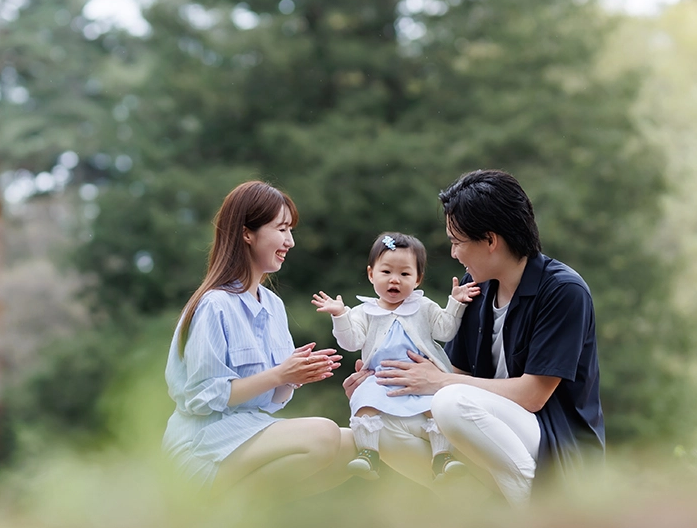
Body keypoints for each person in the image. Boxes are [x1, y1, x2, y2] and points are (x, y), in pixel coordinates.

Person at [344, 170, 605, 506]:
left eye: (456, 242)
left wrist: (440, 382)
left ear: (490, 240)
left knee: (450, 402)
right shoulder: (476, 287)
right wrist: (377, 387)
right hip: (489, 431)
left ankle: (538, 513)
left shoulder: (562, 291)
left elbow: (532, 396)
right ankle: (478, 512)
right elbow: (461, 374)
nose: (454, 254)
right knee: (383, 425)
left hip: (553, 440)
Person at [163, 181, 355, 500]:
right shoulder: (214, 305)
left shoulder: (273, 305)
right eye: (281, 229)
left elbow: (269, 397)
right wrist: (280, 374)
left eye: (290, 230)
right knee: (324, 434)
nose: (290, 241)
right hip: (204, 446)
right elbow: (200, 398)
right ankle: (215, 512)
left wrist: (295, 377)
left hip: (248, 431)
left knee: (354, 444)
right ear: (247, 233)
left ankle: (257, 520)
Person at [312, 232, 480, 482]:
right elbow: (351, 342)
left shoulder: (423, 307)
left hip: (422, 375)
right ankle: (369, 453)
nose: (395, 280)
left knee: (436, 409)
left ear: (418, 279)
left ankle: (443, 457)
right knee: (364, 402)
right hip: (380, 376)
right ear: (371, 274)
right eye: (386, 272)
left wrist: (455, 304)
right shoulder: (363, 312)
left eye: (404, 274)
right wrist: (340, 315)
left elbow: (445, 330)